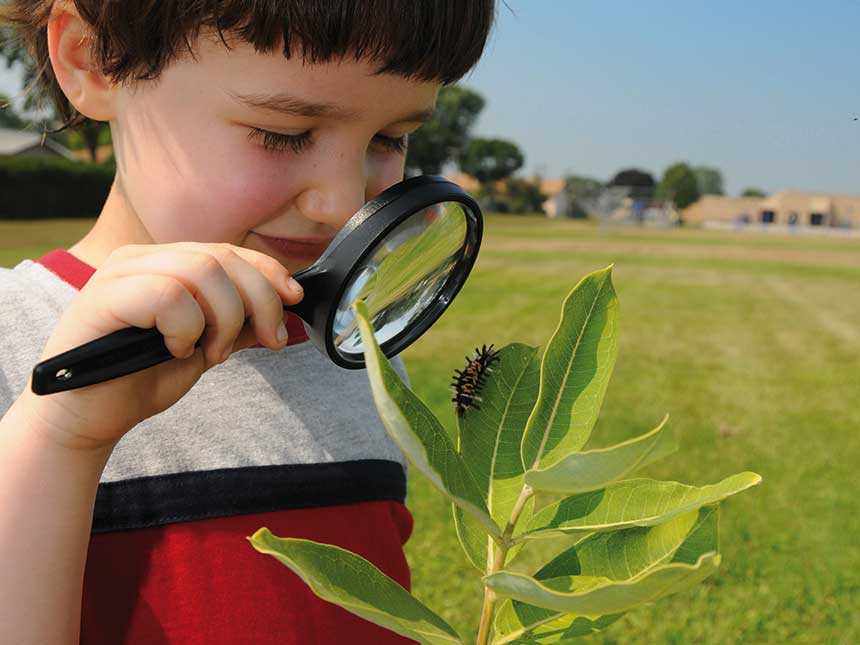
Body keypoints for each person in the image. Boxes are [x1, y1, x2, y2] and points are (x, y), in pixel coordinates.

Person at [0, 2, 495, 643]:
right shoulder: (15, 341)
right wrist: (61, 432)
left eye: (390, 139)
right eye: (283, 134)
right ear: (94, 60)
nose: (342, 202)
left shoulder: (357, 344)